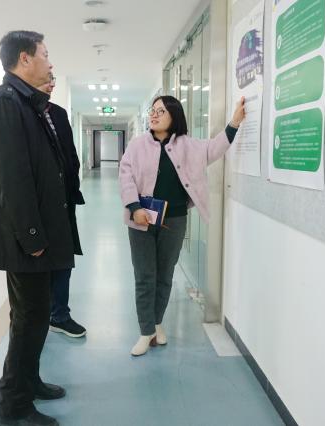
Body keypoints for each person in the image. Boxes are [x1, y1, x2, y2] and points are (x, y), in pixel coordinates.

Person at [0, 30, 75, 426]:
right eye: (45, 54)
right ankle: (12, 406)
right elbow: (10, 178)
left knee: (33, 316)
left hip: (36, 234)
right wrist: (32, 238)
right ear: (25, 58)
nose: (51, 62)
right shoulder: (4, 104)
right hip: (25, 239)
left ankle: (30, 382)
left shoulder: (27, 103)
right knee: (29, 319)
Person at [118, 95, 246, 356]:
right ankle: (145, 332)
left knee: (164, 276)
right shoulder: (137, 144)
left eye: (160, 111)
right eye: (152, 111)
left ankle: (156, 323)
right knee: (145, 276)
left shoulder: (189, 145)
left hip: (174, 220)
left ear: (174, 116)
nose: (153, 115)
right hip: (141, 219)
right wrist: (134, 207)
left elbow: (215, 148)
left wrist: (234, 122)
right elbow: (125, 175)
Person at [36, 73, 87, 338]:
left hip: (64, 201)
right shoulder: (21, 112)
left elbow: (70, 154)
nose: (52, 83)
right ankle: (38, 316)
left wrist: (72, 181)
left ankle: (60, 315)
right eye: (47, 78)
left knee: (64, 260)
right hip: (38, 203)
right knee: (38, 263)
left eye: (53, 79)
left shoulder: (58, 113)